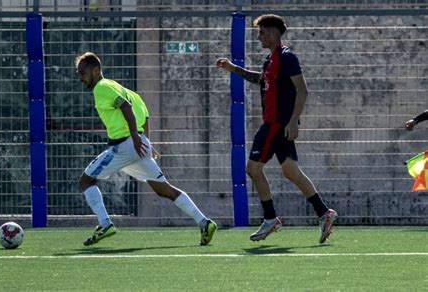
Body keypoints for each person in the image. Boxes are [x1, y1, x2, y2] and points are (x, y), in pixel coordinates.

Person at [216, 14, 337, 244]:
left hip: (276, 124)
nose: (259, 37)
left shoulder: (287, 57)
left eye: (261, 32)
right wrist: (233, 68)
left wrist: (293, 121)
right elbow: (261, 80)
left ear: (272, 33)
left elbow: (303, 90)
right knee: (291, 171)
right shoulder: (270, 60)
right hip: (278, 124)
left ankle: (270, 218)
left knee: (252, 169)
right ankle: (324, 212)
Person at [75, 52, 217, 246]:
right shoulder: (121, 88)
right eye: (78, 73)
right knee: (163, 189)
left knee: (86, 181)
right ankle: (204, 222)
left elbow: (126, 107)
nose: (80, 78)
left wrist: (135, 138)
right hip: (136, 146)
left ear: (96, 70)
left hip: (124, 146)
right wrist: (145, 143)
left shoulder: (102, 87)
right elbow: (143, 111)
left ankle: (105, 223)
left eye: (82, 73)